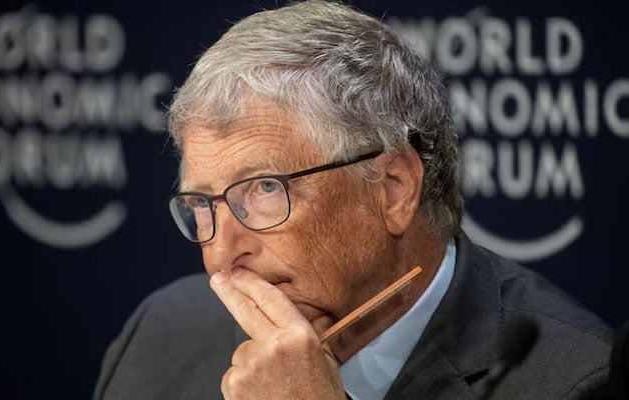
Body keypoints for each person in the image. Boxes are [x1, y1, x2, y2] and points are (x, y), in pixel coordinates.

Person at [94, 1, 613, 399]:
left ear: (393, 188)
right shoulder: (161, 335)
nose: (222, 256)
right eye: (203, 204)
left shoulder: (574, 381)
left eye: (265, 189)